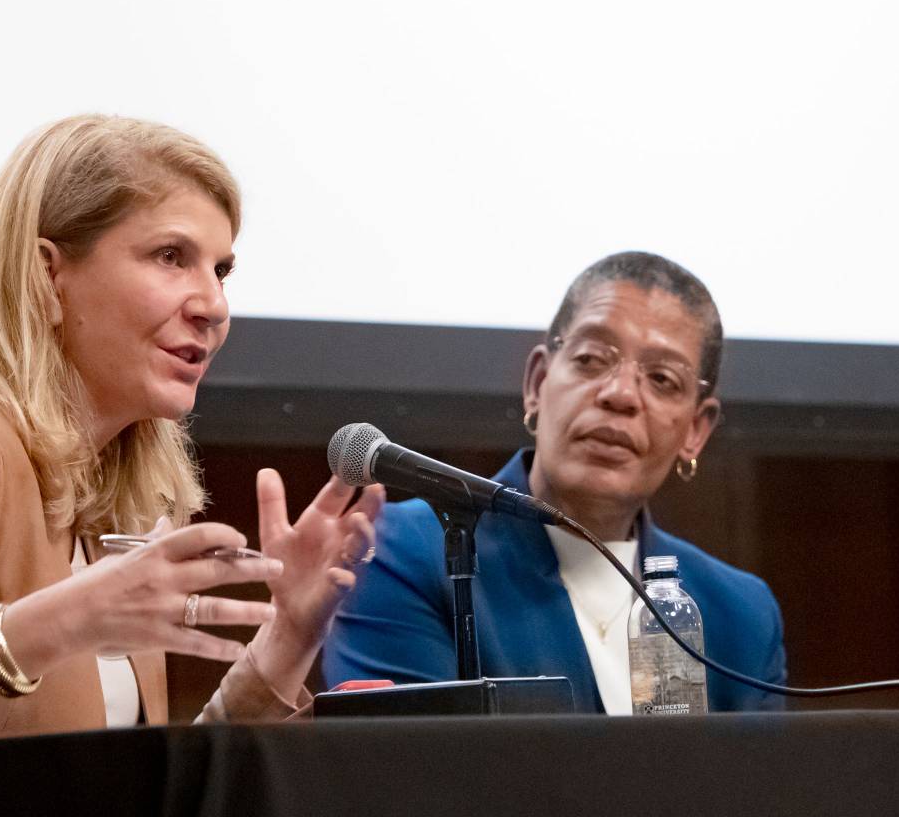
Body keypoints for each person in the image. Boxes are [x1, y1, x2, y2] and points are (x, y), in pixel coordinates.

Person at [0, 115, 382, 751]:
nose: (213, 306)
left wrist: (286, 642)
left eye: (219, 270)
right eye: (171, 257)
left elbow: (127, 802)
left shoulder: (112, 497)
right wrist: (53, 624)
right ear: (47, 275)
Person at [323, 252, 787, 712]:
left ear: (695, 431)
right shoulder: (401, 550)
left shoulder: (741, 614)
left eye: (662, 379)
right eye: (590, 359)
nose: (620, 395)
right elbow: (404, 772)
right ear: (538, 382)